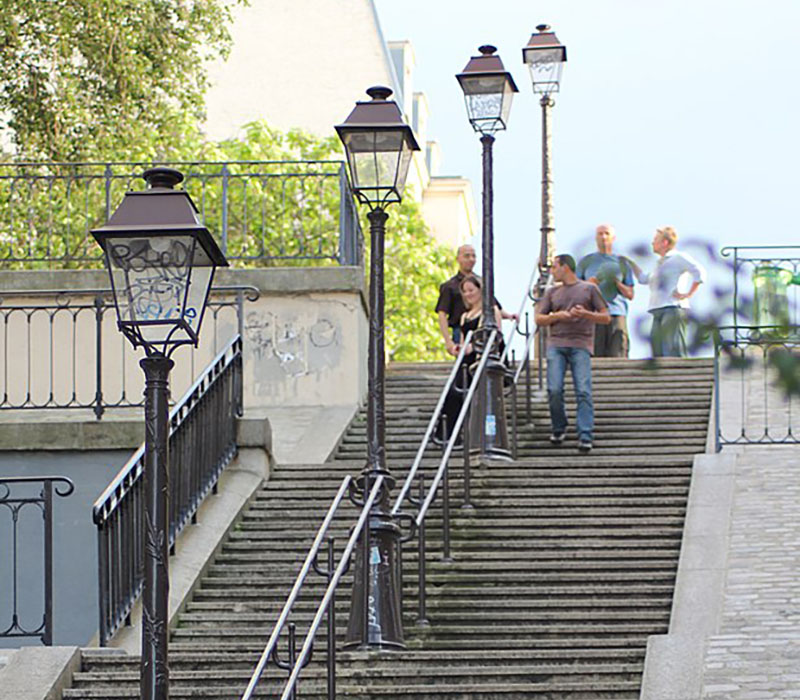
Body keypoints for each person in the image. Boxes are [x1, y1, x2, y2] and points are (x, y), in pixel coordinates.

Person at [535, 254, 610, 454]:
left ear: (565, 267)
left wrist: (586, 314)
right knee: (554, 389)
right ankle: (559, 426)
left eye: (555, 267)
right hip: (556, 343)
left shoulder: (589, 289)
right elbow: (539, 318)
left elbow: (606, 317)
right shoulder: (552, 292)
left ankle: (585, 433)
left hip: (581, 344)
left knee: (583, 389)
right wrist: (557, 316)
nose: (552, 271)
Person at [625, 226, 706, 358]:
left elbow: (699, 272)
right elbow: (644, 279)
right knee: (657, 350)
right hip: (657, 309)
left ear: (665, 242)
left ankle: (681, 376)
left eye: (656, 240)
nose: (652, 243)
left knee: (673, 348)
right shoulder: (659, 264)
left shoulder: (678, 257)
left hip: (672, 307)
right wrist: (630, 263)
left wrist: (688, 294)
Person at [441, 275, 504, 443]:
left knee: (475, 397)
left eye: (471, 290)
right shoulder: (465, 316)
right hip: (468, 360)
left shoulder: (491, 311)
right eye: (465, 291)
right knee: (453, 392)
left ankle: (481, 437)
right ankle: (447, 434)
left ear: (480, 290)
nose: (468, 294)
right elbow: (463, 341)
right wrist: (458, 347)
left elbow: (496, 338)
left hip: (484, 359)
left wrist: (474, 347)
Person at [435, 244, 515, 357]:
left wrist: (510, 316)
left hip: (482, 326)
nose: (471, 259)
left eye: (473, 256)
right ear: (458, 259)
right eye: (467, 256)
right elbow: (442, 314)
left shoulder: (481, 283)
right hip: (462, 328)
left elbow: (493, 305)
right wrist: (448, 342)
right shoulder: (449, 286)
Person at [576, 224, 635, 357]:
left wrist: (616, 282)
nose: (603, 237)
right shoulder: (586, 261)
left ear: (613, 238)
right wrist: (590, 283)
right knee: (594, 355)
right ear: (595, 238)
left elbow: (630, 294)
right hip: (593, 315)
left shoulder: (622, 263)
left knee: (619, 352)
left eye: (606, 233)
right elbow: (574, 289)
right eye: (600, 234)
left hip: (617, 314)